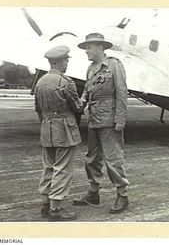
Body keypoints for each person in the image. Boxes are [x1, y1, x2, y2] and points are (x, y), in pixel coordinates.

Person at [73, 33, 130, 214]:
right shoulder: (91, 68)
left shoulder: (114, 65)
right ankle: (93, 193)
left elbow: (122, 93)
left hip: (109, 120)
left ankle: (122, 195)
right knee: (91, 159)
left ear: (100, 47)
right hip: (94, 120)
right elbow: (87, 92)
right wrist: (81, 102)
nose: (86, 52)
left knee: (113, 160)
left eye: (89, 48)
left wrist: (120, 119)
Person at [35, 46, 83, 221]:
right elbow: (78, 107)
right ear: (61, 62)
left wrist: (47, 122)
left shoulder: (41, 82)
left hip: (46, 129)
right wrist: (85, 98)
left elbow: (38, 109)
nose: (67, 63)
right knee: (62, 168)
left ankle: (45, 204)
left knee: (48, 166)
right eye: (66, 61)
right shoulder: (66, 82)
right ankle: (56, 208)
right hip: (64, 129)